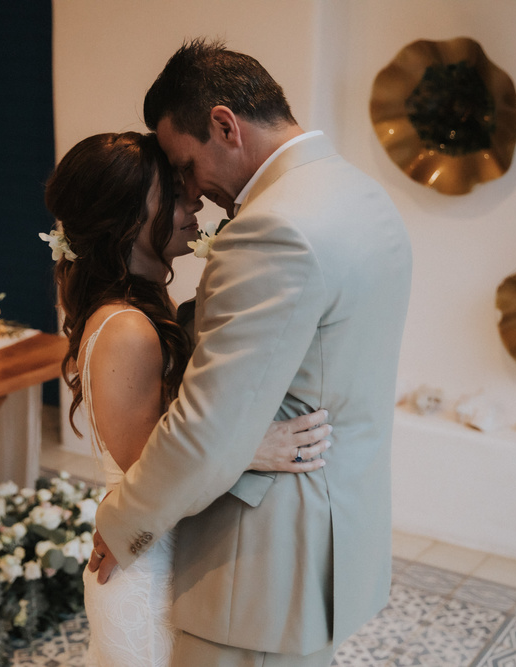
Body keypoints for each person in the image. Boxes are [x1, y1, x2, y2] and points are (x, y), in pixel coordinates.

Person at [87, 39, 413, 666]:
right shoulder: (359, 194)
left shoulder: (274, 228)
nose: (191, 191)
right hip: (336, 537)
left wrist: (121, 524)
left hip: (261, 566)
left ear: (224, 126)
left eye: (184, 164)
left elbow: (208, 430)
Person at [42, 131, 333, 666]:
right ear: (128, 216)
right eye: (173, 193)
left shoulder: (147, 308)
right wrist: (253, 446)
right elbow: (148, 474)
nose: (194, 200)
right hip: (145, 574)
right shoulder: (127, 328)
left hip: (167, 554)